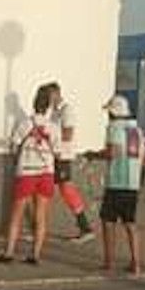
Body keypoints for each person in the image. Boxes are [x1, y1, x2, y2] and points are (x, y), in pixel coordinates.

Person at [0, 86, 60, 265]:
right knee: (41, 215)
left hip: (27, 171)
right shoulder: (53, 127)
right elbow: (58, 151)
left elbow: (14, 145)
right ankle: (35, 255)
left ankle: (9, 252)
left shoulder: (25, 123)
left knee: (17, 213)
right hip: (46, 171)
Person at [89, 94, 145, 276]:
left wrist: (94, 154)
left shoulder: (114, 128)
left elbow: (112, 152)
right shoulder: (137, 130)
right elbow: (144, 158)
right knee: (130, 223)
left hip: (116, 181)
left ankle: (109, 261)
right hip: (133, 183)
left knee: (108, 222)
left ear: (114, 113)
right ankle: (136, 263)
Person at [43, 82, 96, 243]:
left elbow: (67, 134)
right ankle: (40, 228)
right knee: (46, 190)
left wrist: (49, 140)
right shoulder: (53, 113)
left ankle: (85, 228)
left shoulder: (67, 110)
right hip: (54, 156)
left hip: (62, 157)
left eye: (49, 96)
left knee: (66, 190)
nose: (48, 99)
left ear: (56, 94)